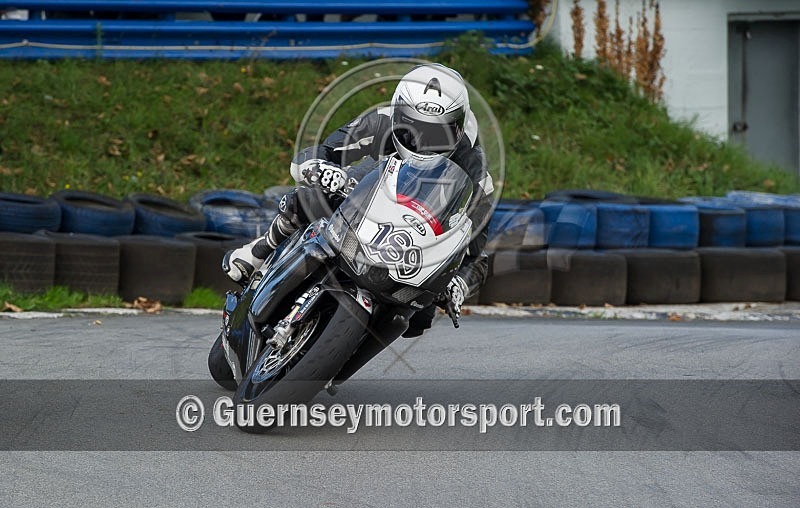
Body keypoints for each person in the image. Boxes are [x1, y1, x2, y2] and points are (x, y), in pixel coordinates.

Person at [223, 63, 493, 337]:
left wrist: (459, 283)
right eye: (412, 131)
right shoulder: (381, 120)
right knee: (312, 198)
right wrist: (321, 169)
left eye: (437, 135)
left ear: (457, 129)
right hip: (372, 190)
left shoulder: (475, 171)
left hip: (414, 239)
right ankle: (260, 251)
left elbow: (477, 254)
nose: (422, 144)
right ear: (398, 113)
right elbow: (320, 151)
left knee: (419, 319)